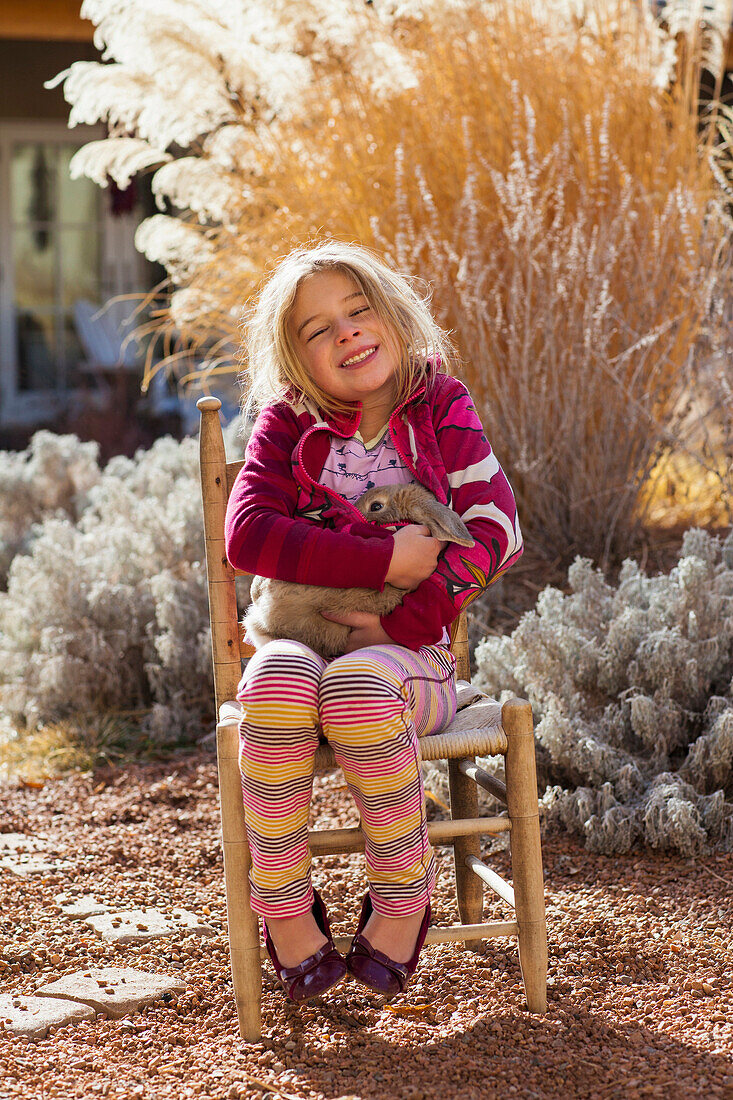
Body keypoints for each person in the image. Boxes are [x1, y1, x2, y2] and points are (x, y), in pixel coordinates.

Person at [224, 240, 523, 1003]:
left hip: (407, 663)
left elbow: (494, 529)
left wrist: (398, 620)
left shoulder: (440, 405)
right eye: (318, 329)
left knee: (356, 688)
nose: (347, 332)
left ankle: (401, 894)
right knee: (274, 683)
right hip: (299, 643)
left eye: (357, 311)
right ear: (294, 359)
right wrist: (384, 562)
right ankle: (285, 909)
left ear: (391, 313)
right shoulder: (289, 425)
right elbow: (248, 534)